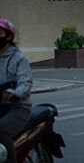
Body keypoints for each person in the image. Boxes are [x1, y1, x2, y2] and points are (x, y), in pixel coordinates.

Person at [0, 19, 32, 163]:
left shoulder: (19, 59)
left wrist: (14, 93)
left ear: (8, 37)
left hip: (17, 107)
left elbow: (25, 82)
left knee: (1, 129)